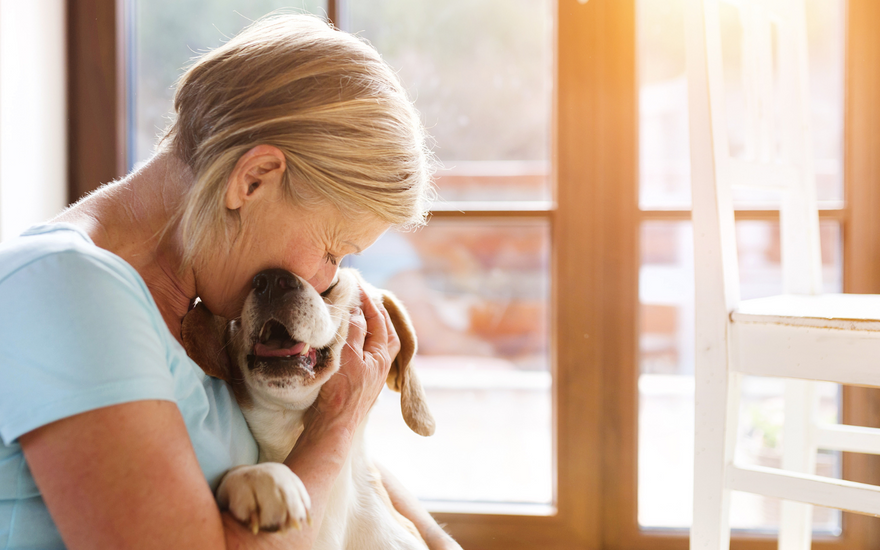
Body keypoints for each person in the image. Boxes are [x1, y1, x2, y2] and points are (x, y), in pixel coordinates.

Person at [0, 13, 459, 550]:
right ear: (253, 179)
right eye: (333, 250)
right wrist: (334, 426)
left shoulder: (204, 319)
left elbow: (344, 477)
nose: (323, 280)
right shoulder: (69, 291)